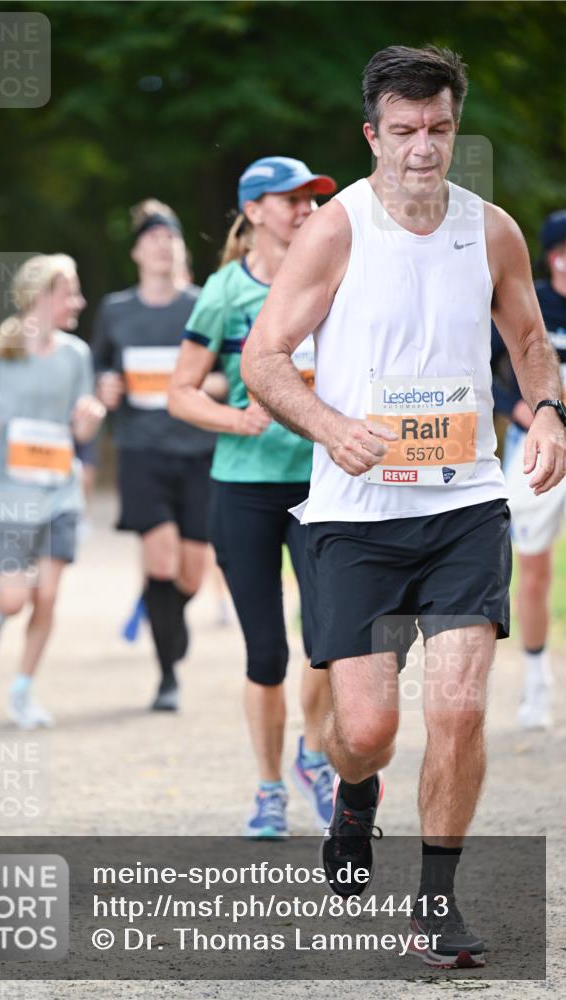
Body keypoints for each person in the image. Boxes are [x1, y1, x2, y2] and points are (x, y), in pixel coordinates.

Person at [241, 46, 566, 967]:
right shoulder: (335, 230)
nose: (422, 147)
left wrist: (547, 411)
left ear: (453, 129)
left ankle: (434, 903)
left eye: (438, 129)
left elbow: (528, 340)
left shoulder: (490, 230)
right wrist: (328, 425)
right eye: (403, 131)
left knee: (457, 710)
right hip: (356, 516)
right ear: (371, 135)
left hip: (465, 503)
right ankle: (353, 797)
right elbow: (264, 357)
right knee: (368, 732)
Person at [168, 156, 337, 839]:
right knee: (266, 653)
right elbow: (180, 392)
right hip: (243, 490)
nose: (305, 209)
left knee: (330, 641)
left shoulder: (337, 275)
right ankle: (268, 790)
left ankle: (313, 757)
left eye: (311, 199)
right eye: (290, 199)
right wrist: (234, 419)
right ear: (255, 210)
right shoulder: (224, 290)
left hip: (325, 483)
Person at [0, 254, 104, 729]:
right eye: (69, 293)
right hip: (10, 494)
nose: (78, 301)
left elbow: (82, 421)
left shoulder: (76, 354)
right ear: (39, 296)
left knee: (48, 595)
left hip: (60, 492)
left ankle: (22, 690)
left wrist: (91, 416)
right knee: (16, 597)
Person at [92, 199, 218, 712]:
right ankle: (167, 676)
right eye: (153, 238)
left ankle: (170, 614)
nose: (163, 246)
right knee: (160, 559)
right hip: (141, 451)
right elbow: (101, 370)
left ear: (181, 250)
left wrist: (189, 386)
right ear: (136, 252)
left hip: (199, 451)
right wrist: (105, 386)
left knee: (191, 574)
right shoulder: (116, 310)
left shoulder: (202, 305)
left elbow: (228, 373)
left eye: (171, 238)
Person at [493, 210, 566, 730]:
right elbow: (482, 362)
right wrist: (518, 407)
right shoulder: (532, 300)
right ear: (552, 256)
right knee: (534, 570)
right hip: (538, 447)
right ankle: (536, 679)